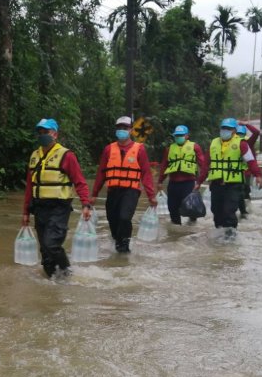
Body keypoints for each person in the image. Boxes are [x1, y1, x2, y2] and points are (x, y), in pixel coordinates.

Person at [22, 118, 92, 278]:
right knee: (46, 256)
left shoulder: (66, 156)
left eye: (45, 132)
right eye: (39, 132)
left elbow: (80, 182)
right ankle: (52, 291)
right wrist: (25, 212)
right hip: (39, 208)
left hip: (59, 208)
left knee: (51, 244)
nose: (42, 135)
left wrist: (86, 204)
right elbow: (29, 187)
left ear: (55, 134)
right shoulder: (34, 156)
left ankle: (67, 274)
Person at [91, 116, 158, 253]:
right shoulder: (109, 149)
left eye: (125, 128)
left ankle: (125, 248)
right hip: (113, 191)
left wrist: (151, 196)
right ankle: (118, 243)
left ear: (131, 130)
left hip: (131, 191)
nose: (122, 130)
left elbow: (146, 173)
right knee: (112, 220)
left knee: (124, 218)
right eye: (119, 128)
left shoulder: (139, 149)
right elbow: (101, 173)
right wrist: (94, 194)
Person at [195, 117, 262, 236]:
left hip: (233, 185)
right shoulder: (214, 143)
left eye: (228, 128)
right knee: (216, 212)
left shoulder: (242, 144)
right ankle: (220, 237)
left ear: (234, 131)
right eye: (223, 128)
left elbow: (251, 161)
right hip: (216, 184)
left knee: (229, 212)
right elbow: (206, 165)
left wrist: (258, 175)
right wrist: (199, 182)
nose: (225, 130)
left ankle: (231, 239)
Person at [156, 125, 205, 225]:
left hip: (188, 183)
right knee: (172, 208)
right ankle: (176, 230)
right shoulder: (169, 149)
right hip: (173, 183)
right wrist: (160, 181)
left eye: (181, 135)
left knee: (190, 208)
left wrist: (199, 181)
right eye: (177, 135)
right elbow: (164, 166)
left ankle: (192, 225)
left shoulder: (195, 147)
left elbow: (203, 164)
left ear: (187, 136)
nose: (178, 137)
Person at [235, 122, 260, 218]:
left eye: (241, 135)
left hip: (246, 171)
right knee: (237, 191)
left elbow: (256, 132)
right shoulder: (231, 144)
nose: (240, 137)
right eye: (238, 134)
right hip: (235, 172)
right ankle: (241, 210)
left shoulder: (248, 143)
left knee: (244, 190)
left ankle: (244, 210)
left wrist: (246, 124)